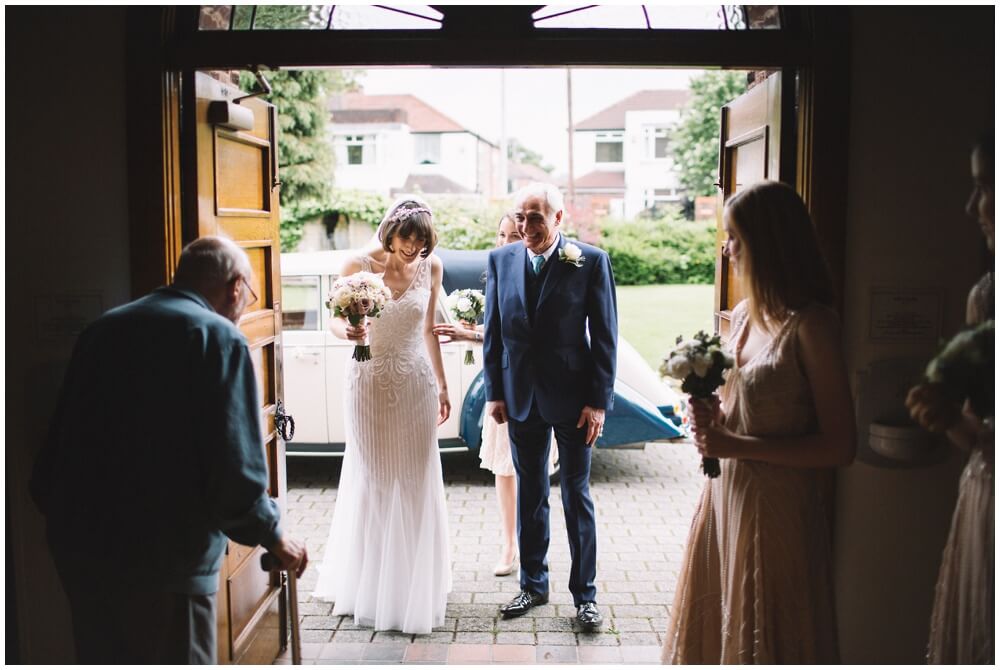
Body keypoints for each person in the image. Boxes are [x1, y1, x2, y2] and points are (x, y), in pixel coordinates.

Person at [29, 236, 308, 664]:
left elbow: (61, 438)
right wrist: (273, 536)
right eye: (249, 295)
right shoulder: (219, 339)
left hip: (79, 548)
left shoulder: (103, 327)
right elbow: (235, 470)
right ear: (236, 287)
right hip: (164, 557)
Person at [662, 181, 856, 664]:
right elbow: (739, 408)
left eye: (734, 236)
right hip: (724, 496)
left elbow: (839, 447)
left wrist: (735, 444)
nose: (726, 248)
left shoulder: (813, 326)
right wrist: (708, 415)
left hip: (776, 510)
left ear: (768, 242)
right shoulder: (745, 316)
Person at [483, 182, 618, 632]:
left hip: (575, 400)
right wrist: (495, 393)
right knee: (530, 494)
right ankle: (533, 584)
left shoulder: (589, 261)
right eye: (520, 217)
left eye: (536, 217)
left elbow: (605, 337)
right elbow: (494, 333)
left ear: (559, 218)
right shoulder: (501, 260)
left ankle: (586, 597)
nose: (526, 227)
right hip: (521, 398)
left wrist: (598, 402)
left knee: (576, 495)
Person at [313, 199, 452, 634]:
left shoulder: (433, 268)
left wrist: (444, 385)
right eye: (408, 238)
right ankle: (372, 588)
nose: (414, 247)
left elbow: (429, 328)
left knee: (414, 479)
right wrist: (350, 331)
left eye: (422, 240)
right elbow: (334, 320)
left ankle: (413, 585)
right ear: (389, 231)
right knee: (374, 478)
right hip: (368, 382)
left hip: (416, 383)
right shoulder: (356, 263)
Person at [906, 133, 994, 664]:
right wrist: (945, 418)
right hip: (987, 496)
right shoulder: (985, 297)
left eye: (985, 185)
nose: (970, 205)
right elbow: (975, 432)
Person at [432, 214, 558, 577]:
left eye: (513, 235)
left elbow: (521, 333)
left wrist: (471, 335)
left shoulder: (541, 272)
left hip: (538, 386)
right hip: (502, 383)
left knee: (531, 472)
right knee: (504, 469)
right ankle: (509, 544)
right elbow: (498, 331)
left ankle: (533, 542)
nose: (504, 242)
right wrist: (473, 332)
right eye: (500, 234)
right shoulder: (498, 271)